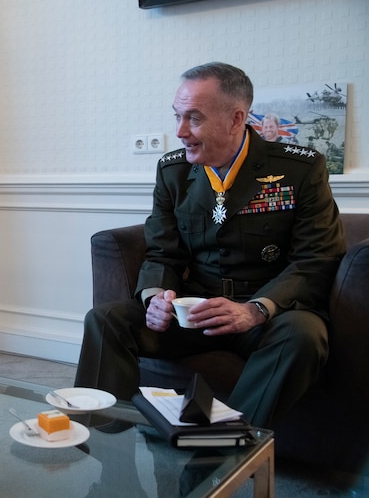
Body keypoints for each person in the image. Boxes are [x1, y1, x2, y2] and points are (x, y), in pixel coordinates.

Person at [74, 62, 345, 428]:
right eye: (178, 117)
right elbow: (162, 251)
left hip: (265, 313)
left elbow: (316, 258)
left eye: (194, 118)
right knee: (106, 320)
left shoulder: (300, 170)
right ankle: (109, 454)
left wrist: (255, 310)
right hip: (195, 310)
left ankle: (220, 453)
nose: (181, 131)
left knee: (305, 334)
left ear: (236, 119)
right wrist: (157, 297)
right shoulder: (173, 172)